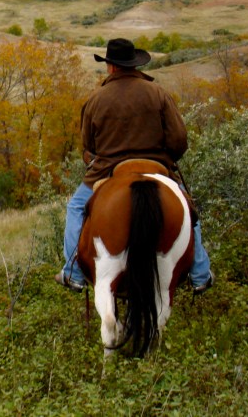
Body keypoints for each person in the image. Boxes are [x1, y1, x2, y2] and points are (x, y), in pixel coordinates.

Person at [56, 38, 214, 294]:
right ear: (134, 64)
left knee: (75, 207)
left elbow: (89, 144)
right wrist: (167, 158)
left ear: (111, 66)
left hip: (107, 169)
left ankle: (73, 272)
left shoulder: (96, 98)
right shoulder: (158, 93)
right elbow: (178, 140)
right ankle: (200, 274)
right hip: (156, 165)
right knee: (187, 208)